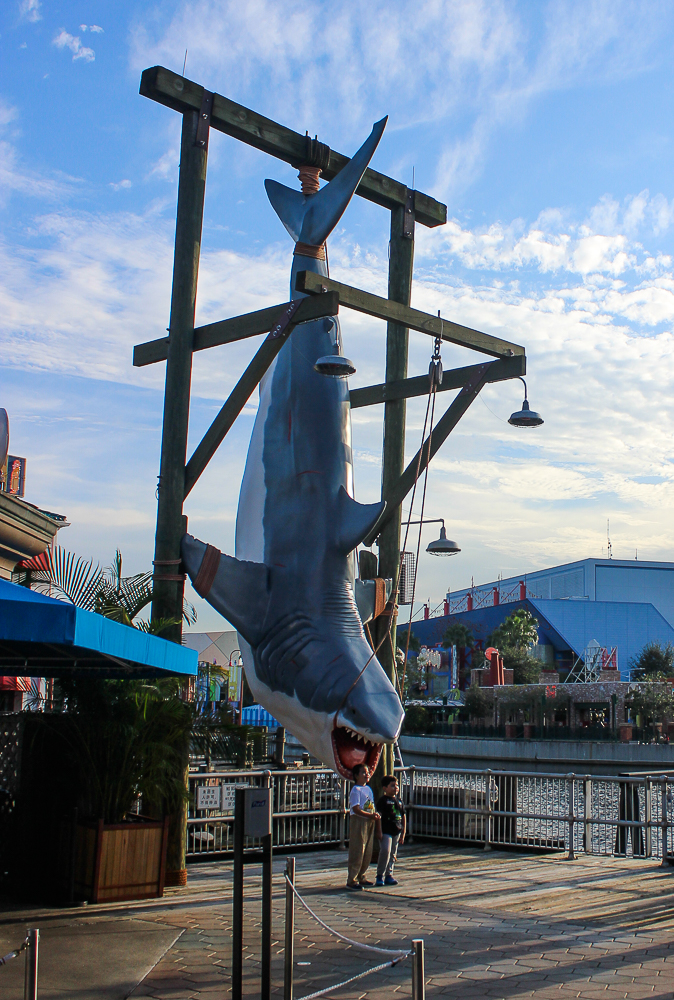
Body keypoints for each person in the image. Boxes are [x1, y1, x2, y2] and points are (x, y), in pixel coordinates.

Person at [346, 763, 380, 890]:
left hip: (369, 820)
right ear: (356, 776)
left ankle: (362, 875)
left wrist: (373, 815)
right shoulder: (356, 790)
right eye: (363, 773)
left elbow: (370, 804)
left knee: (367, 850)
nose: (367, 775)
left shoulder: (368, 789)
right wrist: (369, 815)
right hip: (359, 820)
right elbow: (356, 808)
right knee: (358, 849)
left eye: (367, 772)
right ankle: (352, 879)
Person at [375, 775, 406, 886]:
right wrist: (379, 831)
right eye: (392, 786)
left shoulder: (399, 801)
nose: (395, 788)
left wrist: (403, 832)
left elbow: (403, 815)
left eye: (396, 785)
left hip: (396, 830)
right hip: (386, 830)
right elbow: (378, 816)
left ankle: (389, 874)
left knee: (393, 853)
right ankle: (380, 875)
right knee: (385, 851)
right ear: (385, 788)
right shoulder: (383, 801)